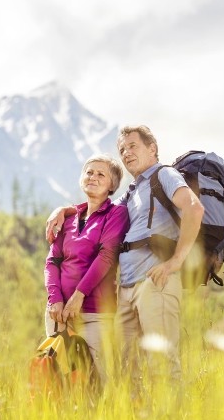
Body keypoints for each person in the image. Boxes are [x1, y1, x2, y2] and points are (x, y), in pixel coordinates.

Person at [46, 125, 204, 382]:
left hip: (155, 282)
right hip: (127, 290)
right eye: (122, 149)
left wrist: (175, 261)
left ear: (152, 148)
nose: (126, 153)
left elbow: (194, 209)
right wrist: (64, 210)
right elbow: (98, 207)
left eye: (133, 146)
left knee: (162, 362)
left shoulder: (164, 175)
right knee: (127, 370)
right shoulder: (132, 192)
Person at [44, 154, 130, 387]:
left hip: (96, 313)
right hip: (58, 314)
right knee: (59, 380)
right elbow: (53, 261)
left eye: (101, 174)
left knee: (99, 381)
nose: (93, 176)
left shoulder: (116, 214)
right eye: (89, 172)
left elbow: (107, 256)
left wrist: (78, 296)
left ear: (112, 185)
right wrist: (55, 300)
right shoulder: (69, 218)